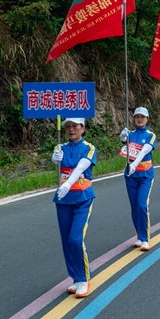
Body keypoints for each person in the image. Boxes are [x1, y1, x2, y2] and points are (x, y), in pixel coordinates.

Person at [51, 117, 97, 298]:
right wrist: (55, 158)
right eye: (68, 127)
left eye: (75, 126)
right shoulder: (60, 147)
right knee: (66, 242)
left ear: (83, 128)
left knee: (75, 239)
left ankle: (84, 278)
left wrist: (68, 184)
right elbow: (56, 162)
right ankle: (75, 278)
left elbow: (80, 168)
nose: (71, 130)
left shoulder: (89, 148)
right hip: (63, 199)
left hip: (82, 198)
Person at [120, 107, 157, 251]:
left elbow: (145, 150)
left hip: (145, 174)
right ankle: (139, 236)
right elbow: (124, 145)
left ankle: (145, 238)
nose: (139, 119)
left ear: (147, 119)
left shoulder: (150, 135)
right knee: (134, 207)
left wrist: (135, 163)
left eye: (142, 117)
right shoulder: (130, 134)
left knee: (142, 205)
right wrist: (123, 137)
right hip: (130, 174)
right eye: (137, 117)